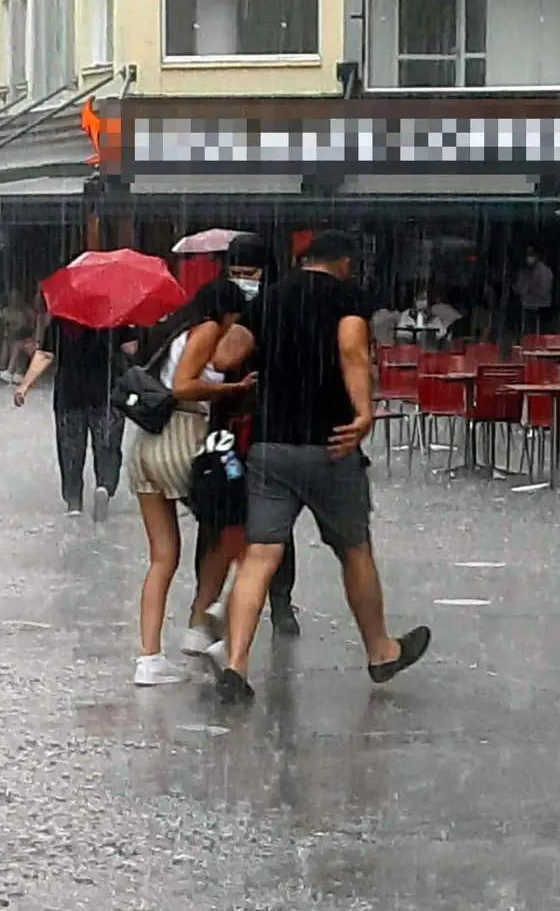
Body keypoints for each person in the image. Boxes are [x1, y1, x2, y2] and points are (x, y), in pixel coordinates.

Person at [208, 230, 431, 703]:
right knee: (354, 549)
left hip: (271, 446)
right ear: (344, 262)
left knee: (261, 555)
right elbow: (351, 347)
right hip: (330, 444)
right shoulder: (346, 296)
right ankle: (380, 652)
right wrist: (363, 411)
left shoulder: (271, 298)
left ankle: (236, 665)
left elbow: (224, 354)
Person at [127, 280, 256, 685]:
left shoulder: (172, 332)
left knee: (163, 557)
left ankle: (149, 660)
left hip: (145, 447)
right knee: (238, 523)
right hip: (181, 437)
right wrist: (231, 387)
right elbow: (184, 385)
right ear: (228, 312)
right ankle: (211, 620)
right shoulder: (205, 331)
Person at [189, 235, 302, 640]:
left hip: (268, 429)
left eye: (249, 274)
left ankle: (281, 602)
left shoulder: (280, 310)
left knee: (273, 522)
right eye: (234, 273)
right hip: (224, 430)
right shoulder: (218, 310)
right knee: (217, 515)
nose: (242, 282)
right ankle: (205, 606)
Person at [13, 314, 134, 521]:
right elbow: (131, 350)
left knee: (70, 447)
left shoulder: (62, 320)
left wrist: (24, 386)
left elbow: (45, 355)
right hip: (106, 391)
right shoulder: (115, 315)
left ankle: (73, 501)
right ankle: (104, 486)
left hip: (69, 392)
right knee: (108, 445)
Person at [514, 245, 554, 336]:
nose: (529, 258)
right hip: (527, 308)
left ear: (537, 255)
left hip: (542, 308)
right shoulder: (523, 272)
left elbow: (544, 289)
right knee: (528, 334)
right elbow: (519, 288)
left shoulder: (546, 271)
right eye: (528, 255)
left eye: (531, 254)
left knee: (543, 334)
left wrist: (531, 288)